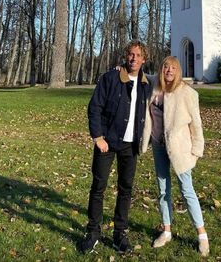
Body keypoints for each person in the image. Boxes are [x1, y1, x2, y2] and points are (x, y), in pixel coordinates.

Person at [80, 40, 152, 254]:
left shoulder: (145, 83)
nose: (134, 58)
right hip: (108, 142)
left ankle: (119, 233)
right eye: (131, 54)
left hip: (130, 146)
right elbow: (95, 108)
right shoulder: (111, 78)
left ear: (144, 59)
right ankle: (93, 232)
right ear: (125, 55)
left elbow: (169, 81)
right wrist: (98, 137)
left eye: (138, 55)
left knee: (125, 189)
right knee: (98, 187)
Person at [142, 56, 209, 257]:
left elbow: (196, 124)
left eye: (173, 68)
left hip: (179, 149)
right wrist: (123, 68)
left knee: (187, 190)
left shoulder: (187, 93)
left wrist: (197, 149)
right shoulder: (155, 85)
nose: (169, 70)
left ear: (178, 71)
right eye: (165, 67)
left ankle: (202, 235)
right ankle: (167, 230)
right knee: (163, 190)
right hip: (158, 145)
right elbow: (140, 75)